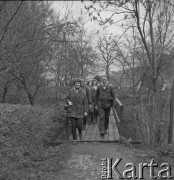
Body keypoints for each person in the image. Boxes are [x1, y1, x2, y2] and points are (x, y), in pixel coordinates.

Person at [65, 78, 88, 144]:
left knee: (79, 125)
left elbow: (85, 102)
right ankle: (74, 139)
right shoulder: (70, 91)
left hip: (80, 111)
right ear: (74, 84)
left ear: (80, 84)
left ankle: (80, 133)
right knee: (73, 125)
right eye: (76, 83)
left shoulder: (83, 92)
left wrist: (86, 111)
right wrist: (68, 101)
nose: (77, 84)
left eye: (78, 83)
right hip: (72, 110)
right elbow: (66, 98)